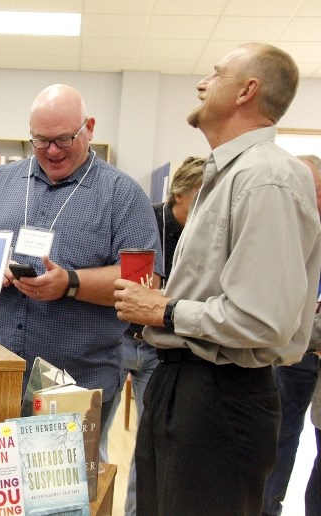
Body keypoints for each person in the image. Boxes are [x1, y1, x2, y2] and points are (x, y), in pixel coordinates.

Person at [113, 43, 321, 515]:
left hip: (221, 395)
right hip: (185, 384)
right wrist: (166, 303)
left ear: (248, 91)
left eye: (216, 73)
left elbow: (263, 319)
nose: (202, 83)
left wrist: (163, 310)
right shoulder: (227, 175)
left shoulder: (267, 178)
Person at [0, 84, 162, 462]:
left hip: (76, 384)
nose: (52, 151)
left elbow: (144, 283)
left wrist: (71, 283)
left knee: (61, 496)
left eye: (64, 139)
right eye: (41, 141)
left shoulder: (123, 196)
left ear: (90, 128)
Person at [105, 155, 204, 515]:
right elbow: (131, 285)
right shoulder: (146, 221)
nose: (203, 207)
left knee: (151, 444)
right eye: (198, 198)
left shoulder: (206, 232)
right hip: (120, 340)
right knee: (95, 435)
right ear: (177, 195)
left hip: (160, 349)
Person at [263, 154, 321, 516]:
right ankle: (268, 508)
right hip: (292, 352)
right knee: (280, 440)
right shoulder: (283, 228)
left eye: (309, 188)